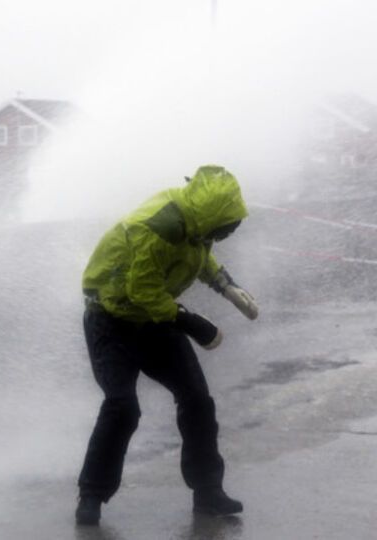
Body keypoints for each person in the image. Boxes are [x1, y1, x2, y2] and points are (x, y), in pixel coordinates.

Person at [75, 165, 259, 526]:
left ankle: (208, 493)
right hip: (111, 320)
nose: (229, 232)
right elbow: (140, 290)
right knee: (122, 406)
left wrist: (226, 285)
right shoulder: (157, 228)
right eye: (227, 225)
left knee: (197, 401)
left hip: (154, 319)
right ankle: (91, 496)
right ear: (211, 216)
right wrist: (191, 322)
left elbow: (197, 255)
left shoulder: (194, 223)